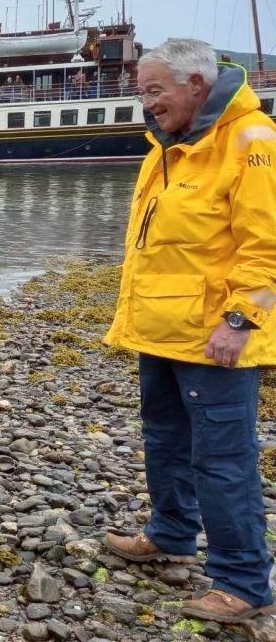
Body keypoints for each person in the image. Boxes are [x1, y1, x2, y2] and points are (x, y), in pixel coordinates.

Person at [102, 38, 276, 622]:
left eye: (155, 91)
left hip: (215, 337)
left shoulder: (251, 142)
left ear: (196, 84)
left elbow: (266, 249)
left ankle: (244, 582)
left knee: (223, 460)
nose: (147, 104)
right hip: (160, 328)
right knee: (165, 440)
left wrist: (239, 322)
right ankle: (171, 533)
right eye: (143, 92)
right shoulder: (168, 146)